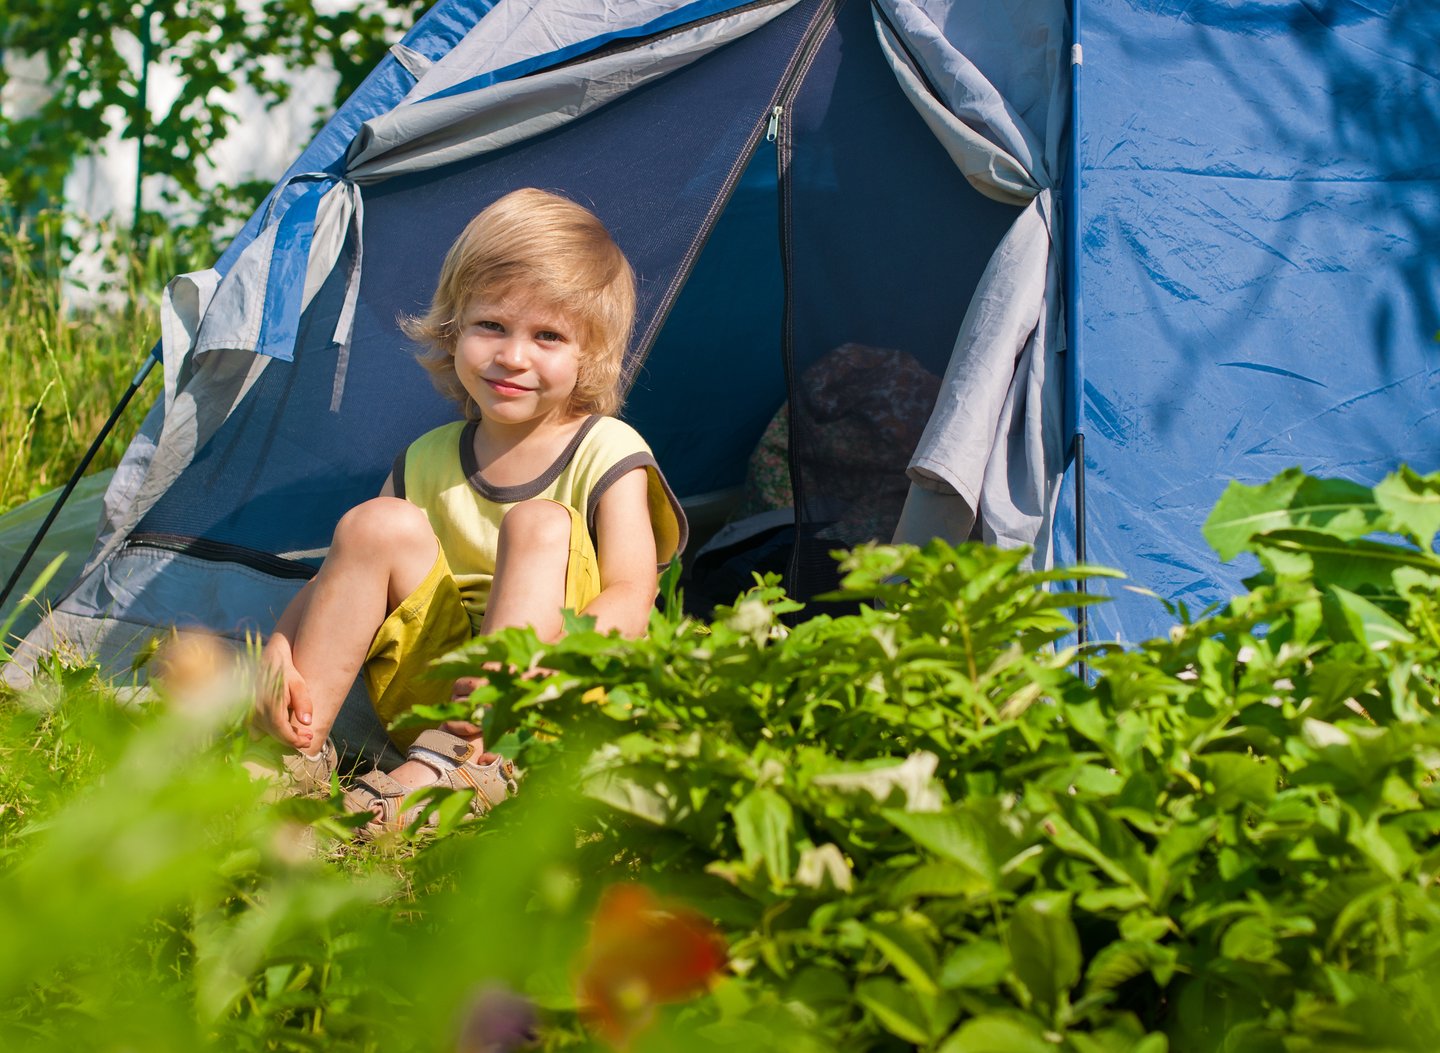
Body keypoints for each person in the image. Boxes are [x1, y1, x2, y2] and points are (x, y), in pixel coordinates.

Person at [252, 188, 686, 832]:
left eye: (547, 336)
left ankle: (461, 772)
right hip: (437, 701)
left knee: (539, 522)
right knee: (372, 525)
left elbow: (632, 593)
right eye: (492, 326)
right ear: (454, 327)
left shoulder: (608, 448)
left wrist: (552, 660)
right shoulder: (427, 458)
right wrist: (280, 650)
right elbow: (330, 584)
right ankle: (287, 756)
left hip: (549, 700)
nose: (513, 356)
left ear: (587, 354)